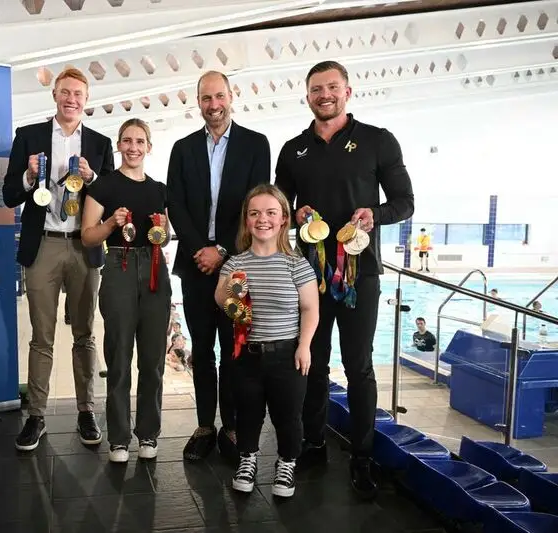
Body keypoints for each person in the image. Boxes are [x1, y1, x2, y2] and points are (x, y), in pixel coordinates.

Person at [274, 60, 414, 499]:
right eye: (316, 89)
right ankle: (313, 444)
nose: (324, 94)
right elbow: (279, 207)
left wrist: (377, 215)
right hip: (309, 275)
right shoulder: (293, 148)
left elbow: (405, 203)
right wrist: (292, 215)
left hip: (360, 273)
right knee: (311, 363)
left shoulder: (378, 141)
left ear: (348, 91)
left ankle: (362, 456)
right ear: (308, 96)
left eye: (332, 87)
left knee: (358, 367)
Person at [3, 67, 115, 452]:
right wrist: (27, 175)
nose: (72, 99)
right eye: (65, 92)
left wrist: (94, 178)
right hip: (44, 245)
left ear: (86, 100)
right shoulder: (29, 137)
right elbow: (8, 195)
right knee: (42, 337)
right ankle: (36, 416)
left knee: (85, 334)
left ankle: (86, 410)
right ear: (54, 95)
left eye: (78, 94)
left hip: (84, 246)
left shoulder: (99, 143)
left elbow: (112, 200)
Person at [166, 70, 272, 463]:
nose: (214, 105)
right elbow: (174, 203)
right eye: (206, 98)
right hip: (195, 266)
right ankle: (204, 427)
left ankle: (230, 427)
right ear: (198, 102)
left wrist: (223, 250)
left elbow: (256, 202)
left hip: (239, 266)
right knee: (203, 350)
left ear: (232, 96)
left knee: (234, 349)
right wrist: (202, 250)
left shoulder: (256, 145)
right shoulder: (182, 148)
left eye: (219, 96)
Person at [215, 184, 319, 498]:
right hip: (247, 354)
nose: (263, 219)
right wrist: (233, 292)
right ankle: (247, 459)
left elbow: (310, 307)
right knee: (247, 413)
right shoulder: (235, 263)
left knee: (288, 416)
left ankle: (286, 464)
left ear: (284, 219)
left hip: (286, 354)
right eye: (255, 213)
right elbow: (220, 297)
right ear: (247, 220)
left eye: (271, 212)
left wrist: (304, 345)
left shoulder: (296, 263)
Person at [81, 118, 171, 462]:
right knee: (119, 357)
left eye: (140, 141)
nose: (133, 147)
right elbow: (88, 236)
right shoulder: (103, 186)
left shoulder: (160, 189)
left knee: (153, 360)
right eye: (127, 140)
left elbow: (166, 233)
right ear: (118, 145)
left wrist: (163, 227)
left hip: (153, 268)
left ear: (149, 147)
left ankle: (148, 433)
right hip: (118, 265)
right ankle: (119, 438)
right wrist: (110, 224)